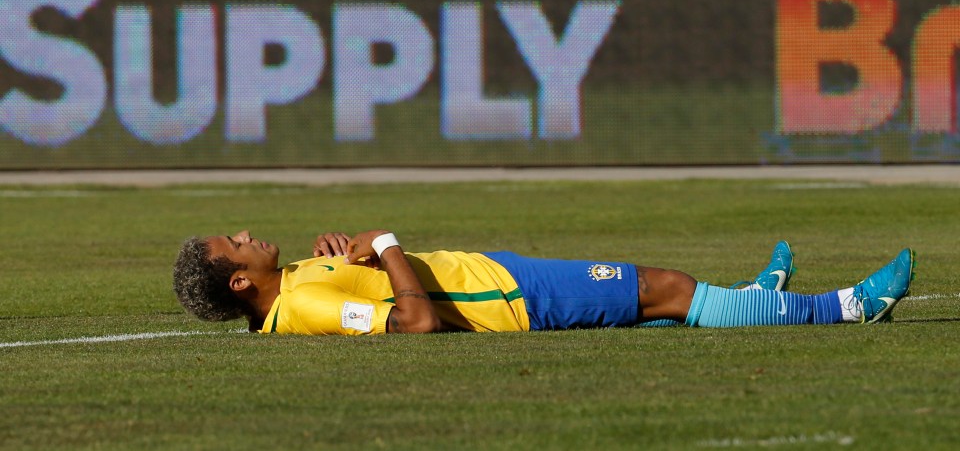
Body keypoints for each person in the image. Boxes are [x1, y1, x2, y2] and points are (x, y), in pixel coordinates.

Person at [172, 229, 914, 335]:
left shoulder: (298, 282)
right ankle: (847, 307)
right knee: (665, 286)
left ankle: (759, 300)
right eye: (234, 244)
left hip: (497, 278)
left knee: (654, 298)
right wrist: (389, 241)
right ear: (240, 281)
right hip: (507, 301)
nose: (247, 234)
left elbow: (360, 287)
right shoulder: (298, 305)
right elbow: (414, 324)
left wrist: (349, 250)